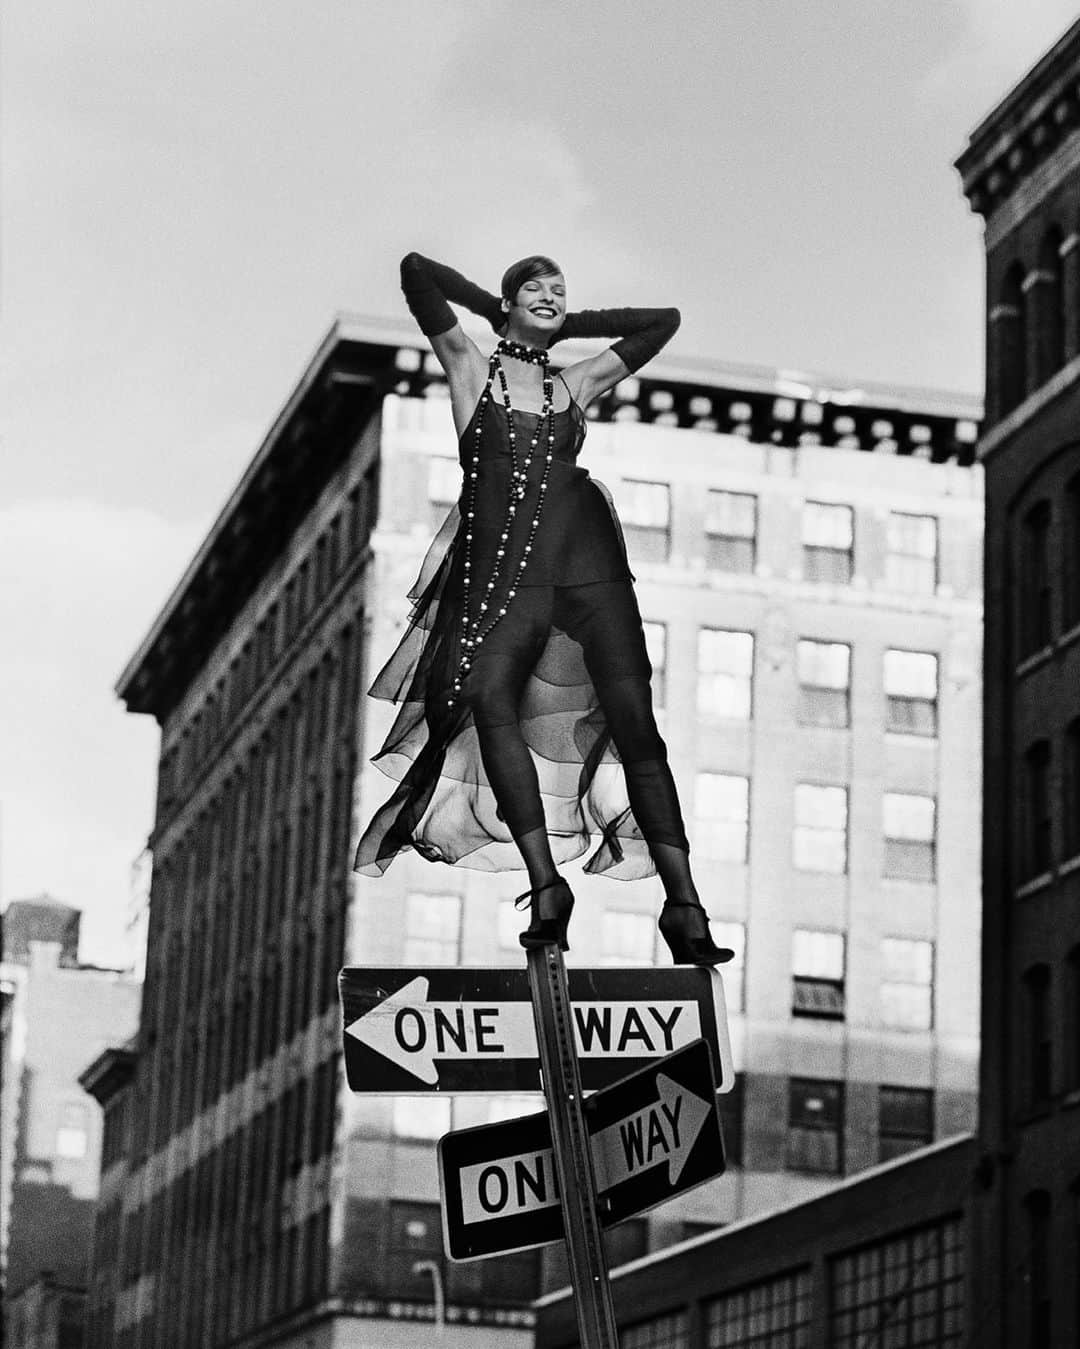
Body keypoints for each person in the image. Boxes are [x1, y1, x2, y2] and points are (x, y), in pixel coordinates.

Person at [354, 250, 732, 966]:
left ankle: (684, 904)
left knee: (634, 722)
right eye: (536, 286)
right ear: (507, 301)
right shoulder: (471, 369)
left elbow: (664, 321)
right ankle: (546, 886)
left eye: (561, 288)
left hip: (588, 564)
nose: (552, 294)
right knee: (487, 701)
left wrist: (568, 324)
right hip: (506, 579)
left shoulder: (575, 382)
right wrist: (501, 312)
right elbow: (415, 272)